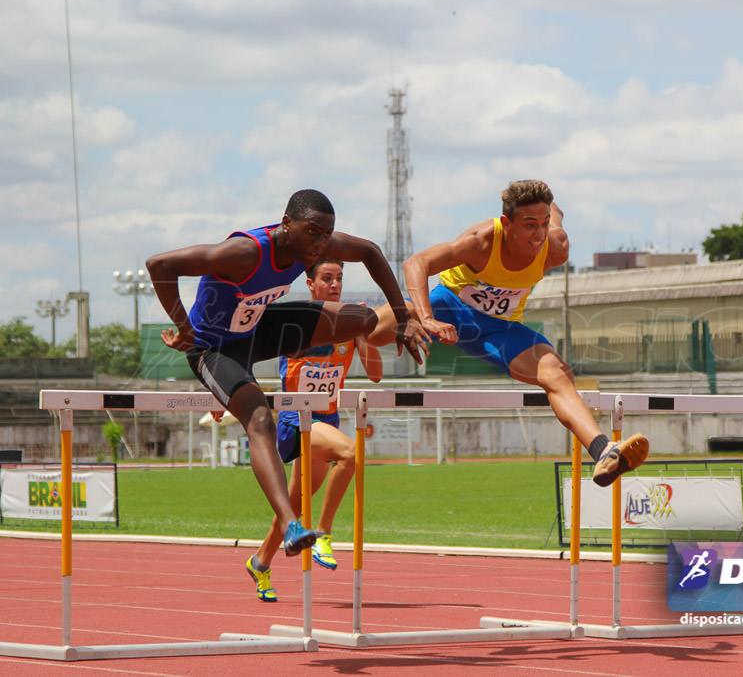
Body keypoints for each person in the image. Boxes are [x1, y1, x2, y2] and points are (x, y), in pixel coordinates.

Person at [147, 189, 427, 558]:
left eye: (327, 234)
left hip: (257, 331)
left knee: (363, 319)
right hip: (213, 347)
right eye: (313, 232)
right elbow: (159, 265)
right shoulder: (246, 252)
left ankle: (286, 359)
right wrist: (183, 328)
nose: (321, 243)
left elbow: (371, 252)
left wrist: (403, 318)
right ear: (287, 225)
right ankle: (290, 523)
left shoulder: (314, 245)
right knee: (260, 415)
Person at [372, 179, 648, 485]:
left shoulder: (554, 249)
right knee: (395, 316)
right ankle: (357, 329)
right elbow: (417, 262)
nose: (539, 234)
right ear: (507, 223)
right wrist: (426, 317)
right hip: (450, 306)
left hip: (499, 330)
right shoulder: (481, 241)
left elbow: (555, 216)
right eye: (530, 225)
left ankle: (603, 452)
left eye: (543, 223)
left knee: (557, 373)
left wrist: (550, 214)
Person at [245, 259, 380, 602]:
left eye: (339, 278)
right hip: (295, 421)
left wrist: (366, 331)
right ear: (310, 283)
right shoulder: (294, 321)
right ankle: (324, 535)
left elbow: (376, 374)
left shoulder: (350, 321)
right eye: (326, 278)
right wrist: (227, 395)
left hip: (326, 420)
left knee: (292, 508)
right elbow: (246, 351)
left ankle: (260, 562)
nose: (334, 284)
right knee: (351, 453)